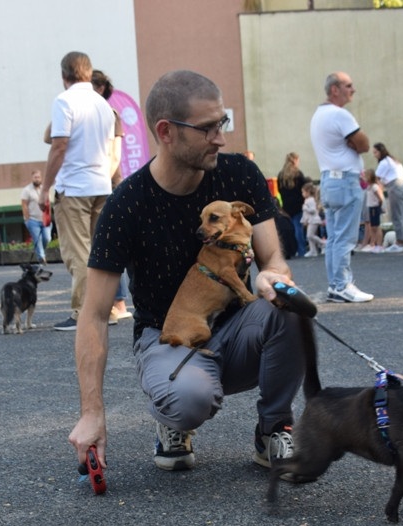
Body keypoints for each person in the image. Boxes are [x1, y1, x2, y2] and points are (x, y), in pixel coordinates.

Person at [67, 69, 304, 476]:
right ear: (166, 131)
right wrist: (91, 413)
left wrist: (273, 275)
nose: (221, 138)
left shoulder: (240, 176)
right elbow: (92, 314)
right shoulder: (125, 206)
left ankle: (273, 428)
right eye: (208, 128)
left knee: (293, 308)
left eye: (222, 123)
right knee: (189, 400)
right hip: (168, 336)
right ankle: (172, 418)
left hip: (237, 328)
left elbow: (274, 260)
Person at [39, 51, 116, 332]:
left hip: (74, 186)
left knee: (78, 253)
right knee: (98, 250)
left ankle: (82, 312)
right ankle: (105, 310)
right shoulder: (103, 104)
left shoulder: (64, 101)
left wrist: (45, 188)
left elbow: (58, 145)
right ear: (89, 72)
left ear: (63, 76)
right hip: (101, 184)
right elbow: (108, 148)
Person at [309, 72, 373, 303]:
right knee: (344, 238)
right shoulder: (340, 115)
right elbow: (364, 144)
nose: (352, 89)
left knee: (335, 238)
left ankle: (336, 284)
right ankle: (342, 285)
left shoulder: (319, 114)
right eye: (348, 86)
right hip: (345, 181)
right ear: (335, 89)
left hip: (329, 179)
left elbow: (357, 143)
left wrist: (352, 142)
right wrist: (354, 142)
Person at [91, 68, 132, 322]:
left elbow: (115, 156)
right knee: (99, 246)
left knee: (109, 245)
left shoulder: (110, 114)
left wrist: (102, 184)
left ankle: (118, 303)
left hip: (106, 186)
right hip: (95, 186)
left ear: (101, 89)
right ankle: (113, 303)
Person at [371, 142, 403, 252]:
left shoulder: (384, 162)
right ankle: (402, 240)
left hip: (394, 186)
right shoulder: (393, 161)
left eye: (376, 152)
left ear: (381, 151)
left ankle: (399, 242)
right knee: (402, 215)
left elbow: (377, 179)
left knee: (396, 215)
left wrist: (380, 195)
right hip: (402, 185)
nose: (374, 155)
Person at [277, 152, 310, 257]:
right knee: (298, 228)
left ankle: (292, 249)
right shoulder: (298, 174)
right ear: (295, 160)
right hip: (298, 204)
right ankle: (301, 250)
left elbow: (279, 190)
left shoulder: (281, 175)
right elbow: (304, 187)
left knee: (290, 228)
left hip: (286, 205)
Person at [20, 169, 50, 264]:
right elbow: (24, 204)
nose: (37, 179)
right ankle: (42, 258)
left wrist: (49, 216)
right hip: (33, 220)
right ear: (32, 178)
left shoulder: (44, 189)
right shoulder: (27, 190)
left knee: (47, 238)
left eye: (38, 177)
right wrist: (27, 218)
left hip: (45, 219)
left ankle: (41, 252)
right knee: (38, 239)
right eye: (35, 177)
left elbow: (48, 203)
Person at [356, 169, 384, 252]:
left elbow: (380, 198)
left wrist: (379, 205)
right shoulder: (369, 187)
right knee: (373, 227)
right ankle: (375, 244)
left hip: (375, 207)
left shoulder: (375, 187)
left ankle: (379, 245)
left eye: (365, 176)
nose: (363, 178)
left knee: (377, 226)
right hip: (371, 207)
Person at [300, 181, 325, 257]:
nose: (302, 194)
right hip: (311, 220)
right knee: (310, 235)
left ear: (308, 192)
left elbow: (313, 210)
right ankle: (313, 250)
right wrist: (304, 220)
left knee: (310, 235)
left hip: (314, 220)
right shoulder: (307, 200)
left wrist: (306, 208)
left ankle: (323, 244)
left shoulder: (310, 200)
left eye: (303, 192)